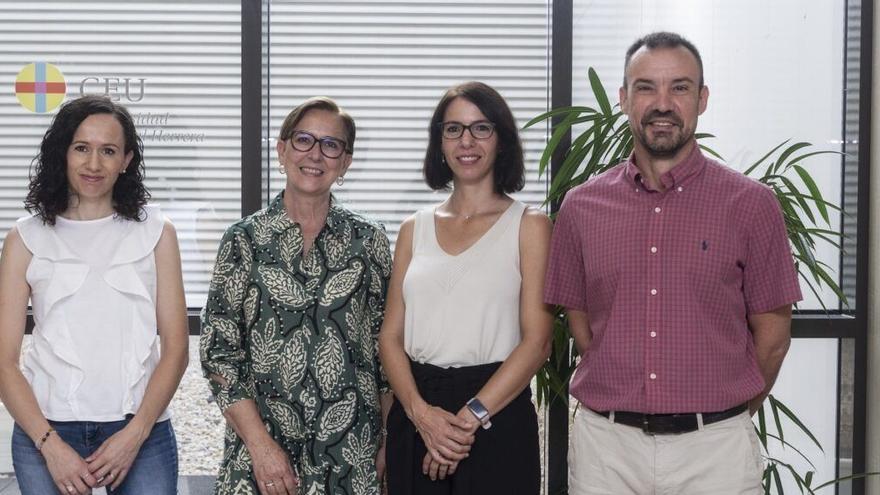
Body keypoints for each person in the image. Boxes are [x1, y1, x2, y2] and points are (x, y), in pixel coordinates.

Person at [544, 31, 802, 494]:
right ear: (624, 99)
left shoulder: (752, 205)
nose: (662, 103)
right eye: (646, 87)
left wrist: (722, 419)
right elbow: (583, 325)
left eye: (679, 87)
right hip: (607, 452)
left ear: (702, 99)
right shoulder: (581, 208)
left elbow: (773, 340)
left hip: (716, 454)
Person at [200, 96, 393, 495]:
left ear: (345, 162)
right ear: (282, 149)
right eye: (304, 140)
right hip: (261, 456)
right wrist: (259, 446)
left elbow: (386, 349)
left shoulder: (369, 240)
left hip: (351, 453)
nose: (315, 154)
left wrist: (387, 439)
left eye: (331, 144)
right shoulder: (243, 240)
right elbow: (219, 353)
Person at [0, 95, 189, 494]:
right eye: (81, 148)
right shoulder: (24, 238)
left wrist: (135, 434)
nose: (93, 164)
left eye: (108, 151)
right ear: (62, 153)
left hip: (142, 430)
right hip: (46, 431)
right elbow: (4, 361)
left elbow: (176, 348)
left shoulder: (157, 231)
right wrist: (50, 446)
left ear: (127, 160)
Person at [379, 81, 553, 495]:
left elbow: (538, 342)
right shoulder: (412, 229)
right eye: (453, 129)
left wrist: (464, 422)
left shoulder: (530, 226)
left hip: (497, 413)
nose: (466, 141)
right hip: (418, 414)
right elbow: (389, 337)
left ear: (502, 140)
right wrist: (423, 417)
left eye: (481, 128)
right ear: (439, 142)